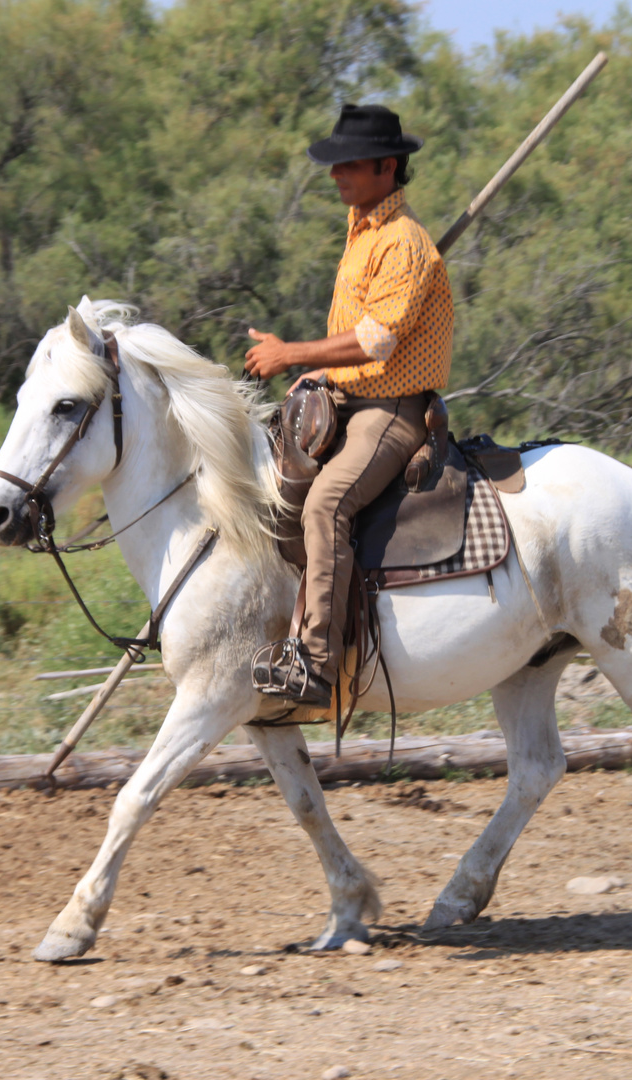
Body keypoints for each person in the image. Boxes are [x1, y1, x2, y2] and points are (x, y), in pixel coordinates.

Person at [244, 103, 454, 707]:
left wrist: (292, 355)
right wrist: (316, 373)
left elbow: (377, 339)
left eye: (349, 164)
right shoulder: (363, 229)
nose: (336, 175)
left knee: (326, 504)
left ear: (388, 167)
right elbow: (358, 343)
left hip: (390, 412)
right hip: (346, 397)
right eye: (335, 164)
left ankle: (315, 663)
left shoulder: (404, 243)